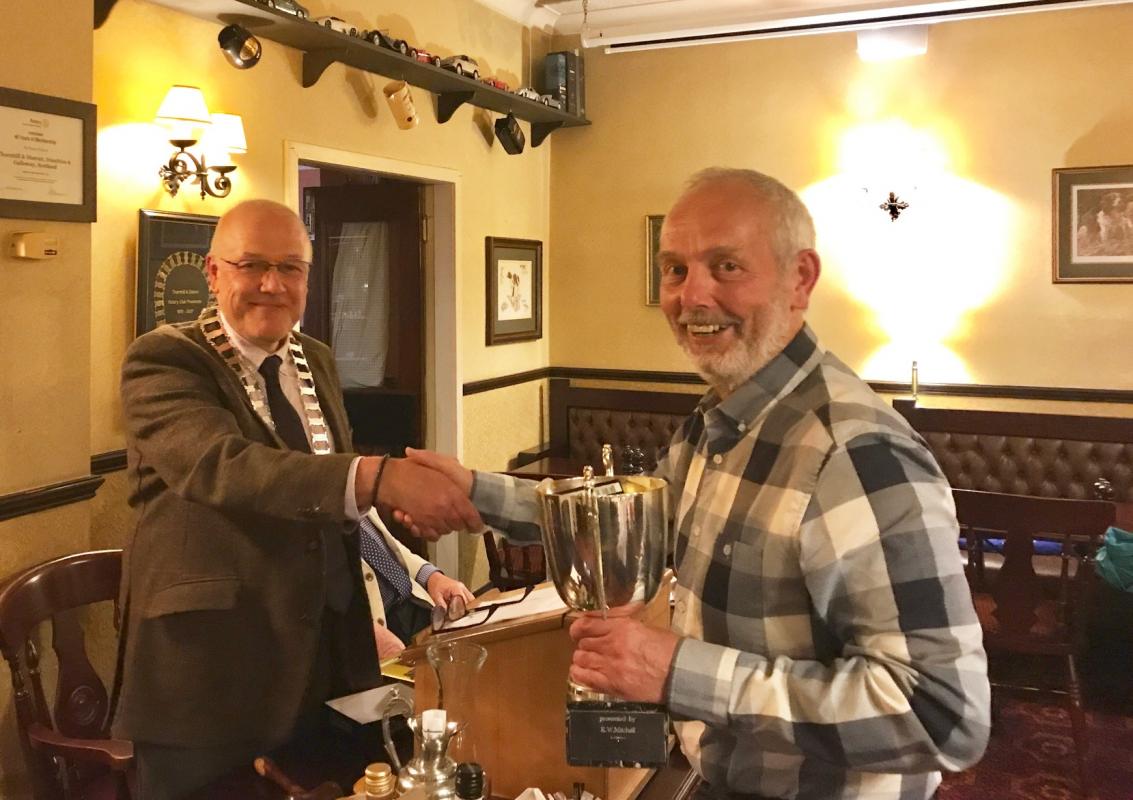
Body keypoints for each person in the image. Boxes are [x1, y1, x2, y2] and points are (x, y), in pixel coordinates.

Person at [401, 169, 991, 800]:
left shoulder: (856, 452)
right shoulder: (718, 423)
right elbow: (627, 521)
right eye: (675, 270)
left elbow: (941, 714)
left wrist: (677, 671)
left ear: (801, 278)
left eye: (727, 266)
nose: (692, 296)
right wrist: (473, 492)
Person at [113, 199, 481, 799]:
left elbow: (330, 498)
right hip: (210, 669)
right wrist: (376, 476)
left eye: (290, 268)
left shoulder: (318, 361)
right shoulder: (164, 359)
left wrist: (408, 547)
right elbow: (225, 467)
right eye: (251, 265)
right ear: (213, 272)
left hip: (326, 660)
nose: (270, 285)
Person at [360, 508, 475, 659]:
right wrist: (360, 629)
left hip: (418, 606)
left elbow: (388, 546)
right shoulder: (323, 506)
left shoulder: (351, 499)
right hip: (384, 632)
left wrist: (432, 577)